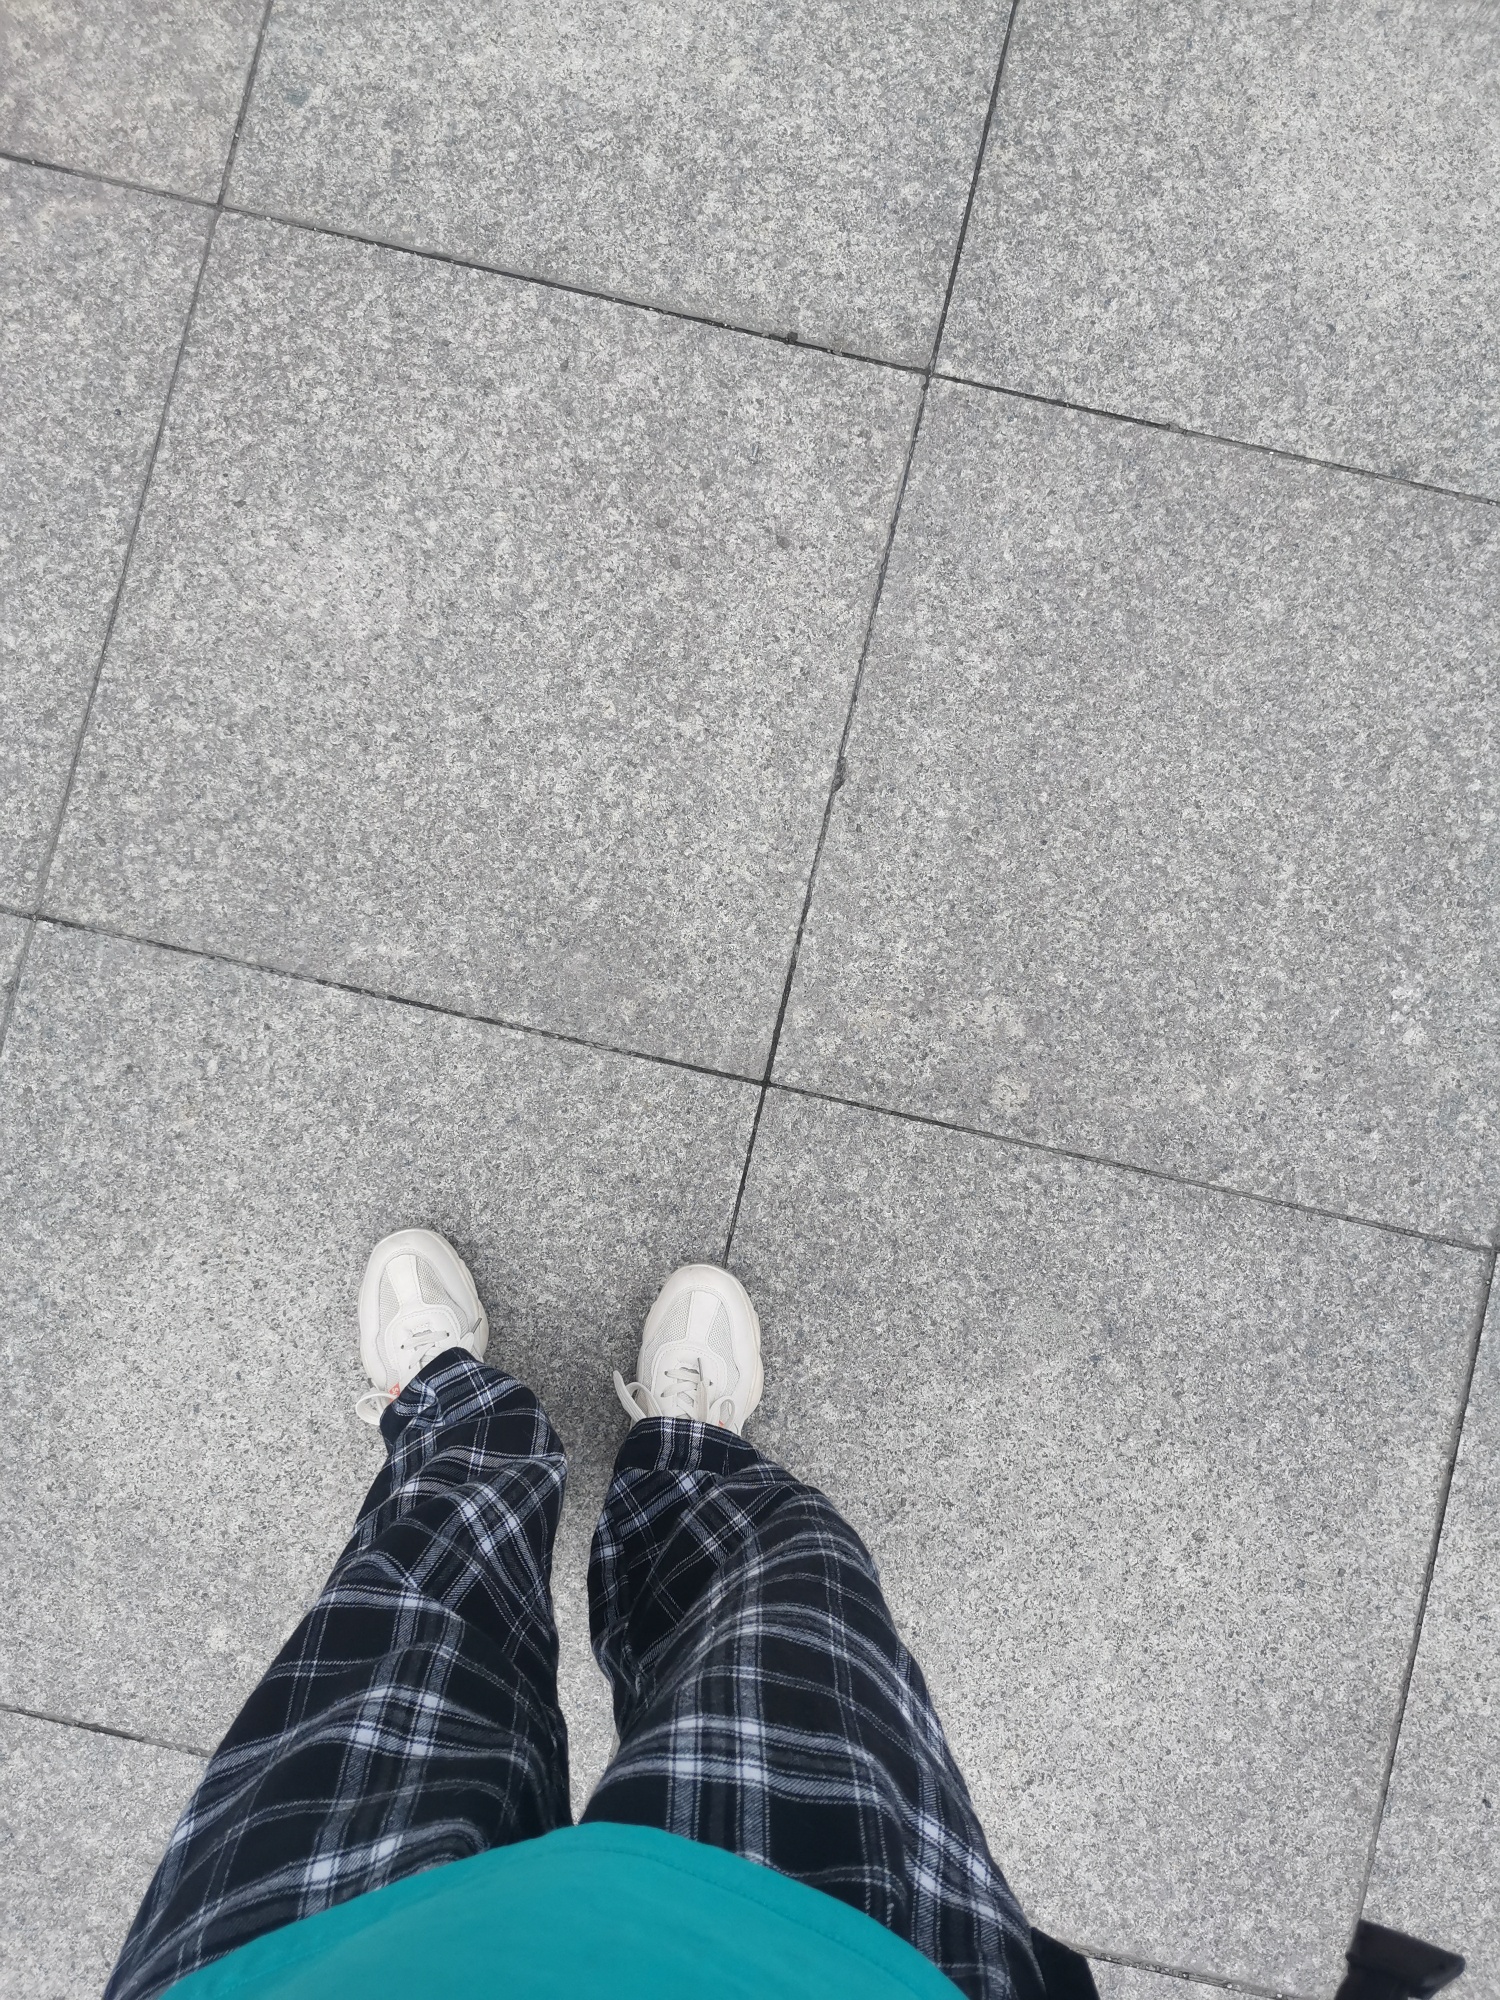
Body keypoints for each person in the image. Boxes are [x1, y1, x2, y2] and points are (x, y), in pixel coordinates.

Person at [106, 1229, 1070, 2000]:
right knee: (789, 1615)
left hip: (324, 1970)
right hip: (809, 1959)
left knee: (404, 1639)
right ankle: (684, 1470)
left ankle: (458, 1420)